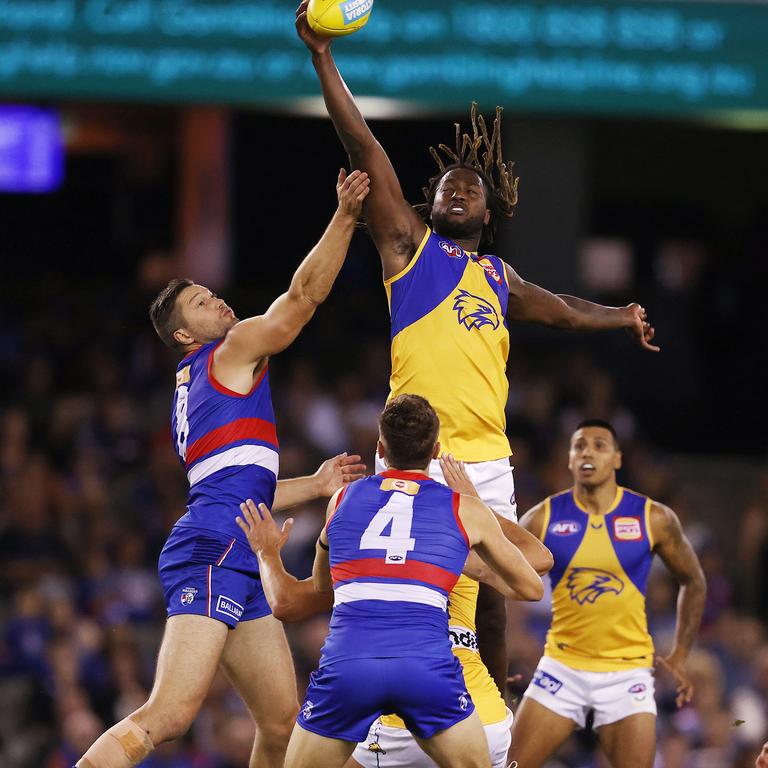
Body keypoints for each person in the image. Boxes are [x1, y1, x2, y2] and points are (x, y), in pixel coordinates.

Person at [295, 0, 659, 691]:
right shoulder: (409, 248)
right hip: (414, 448)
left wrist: (622, 314)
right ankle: (369, 700)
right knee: (392, 585)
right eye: (447, 187)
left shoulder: (498, 275)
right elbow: (364, 147)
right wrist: (321, 54)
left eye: (471, 190)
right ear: (428, 205)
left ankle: (491, 715)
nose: (458, 191)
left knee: (494, 600)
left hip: (486, 457)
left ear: (488, 215)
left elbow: (561, 311)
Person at [74, 169, 370, 768]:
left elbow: (236, 490)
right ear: (185, 333)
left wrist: (313, 486)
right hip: (214, 549)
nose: (218, 300)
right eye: (202, 304)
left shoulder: (198, 387)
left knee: (283, 725)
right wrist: (344, 217)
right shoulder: (229, 352)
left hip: (228, 542)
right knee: (171, 716)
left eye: (211, 292)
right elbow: (300, 302)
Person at [237, 393, 545, 768]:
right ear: (435, 451)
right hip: (426, 669)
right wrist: (470, 555)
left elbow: (319, 585)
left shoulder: (342, 499)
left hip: (350, 667)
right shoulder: (463, 509)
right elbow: (532, 587)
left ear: (380, 447)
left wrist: (268, 553)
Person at [509, 419, 707, 768]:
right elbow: (498, 572)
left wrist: (680, 653)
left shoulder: (653, 517)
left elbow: (693, 581)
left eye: (599, 445)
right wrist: (508, 643)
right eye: (579, 445)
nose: (588, 451)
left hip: (627, 671)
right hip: (562, 667)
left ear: (617, 458)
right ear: (569, 460)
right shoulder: (543, 517)